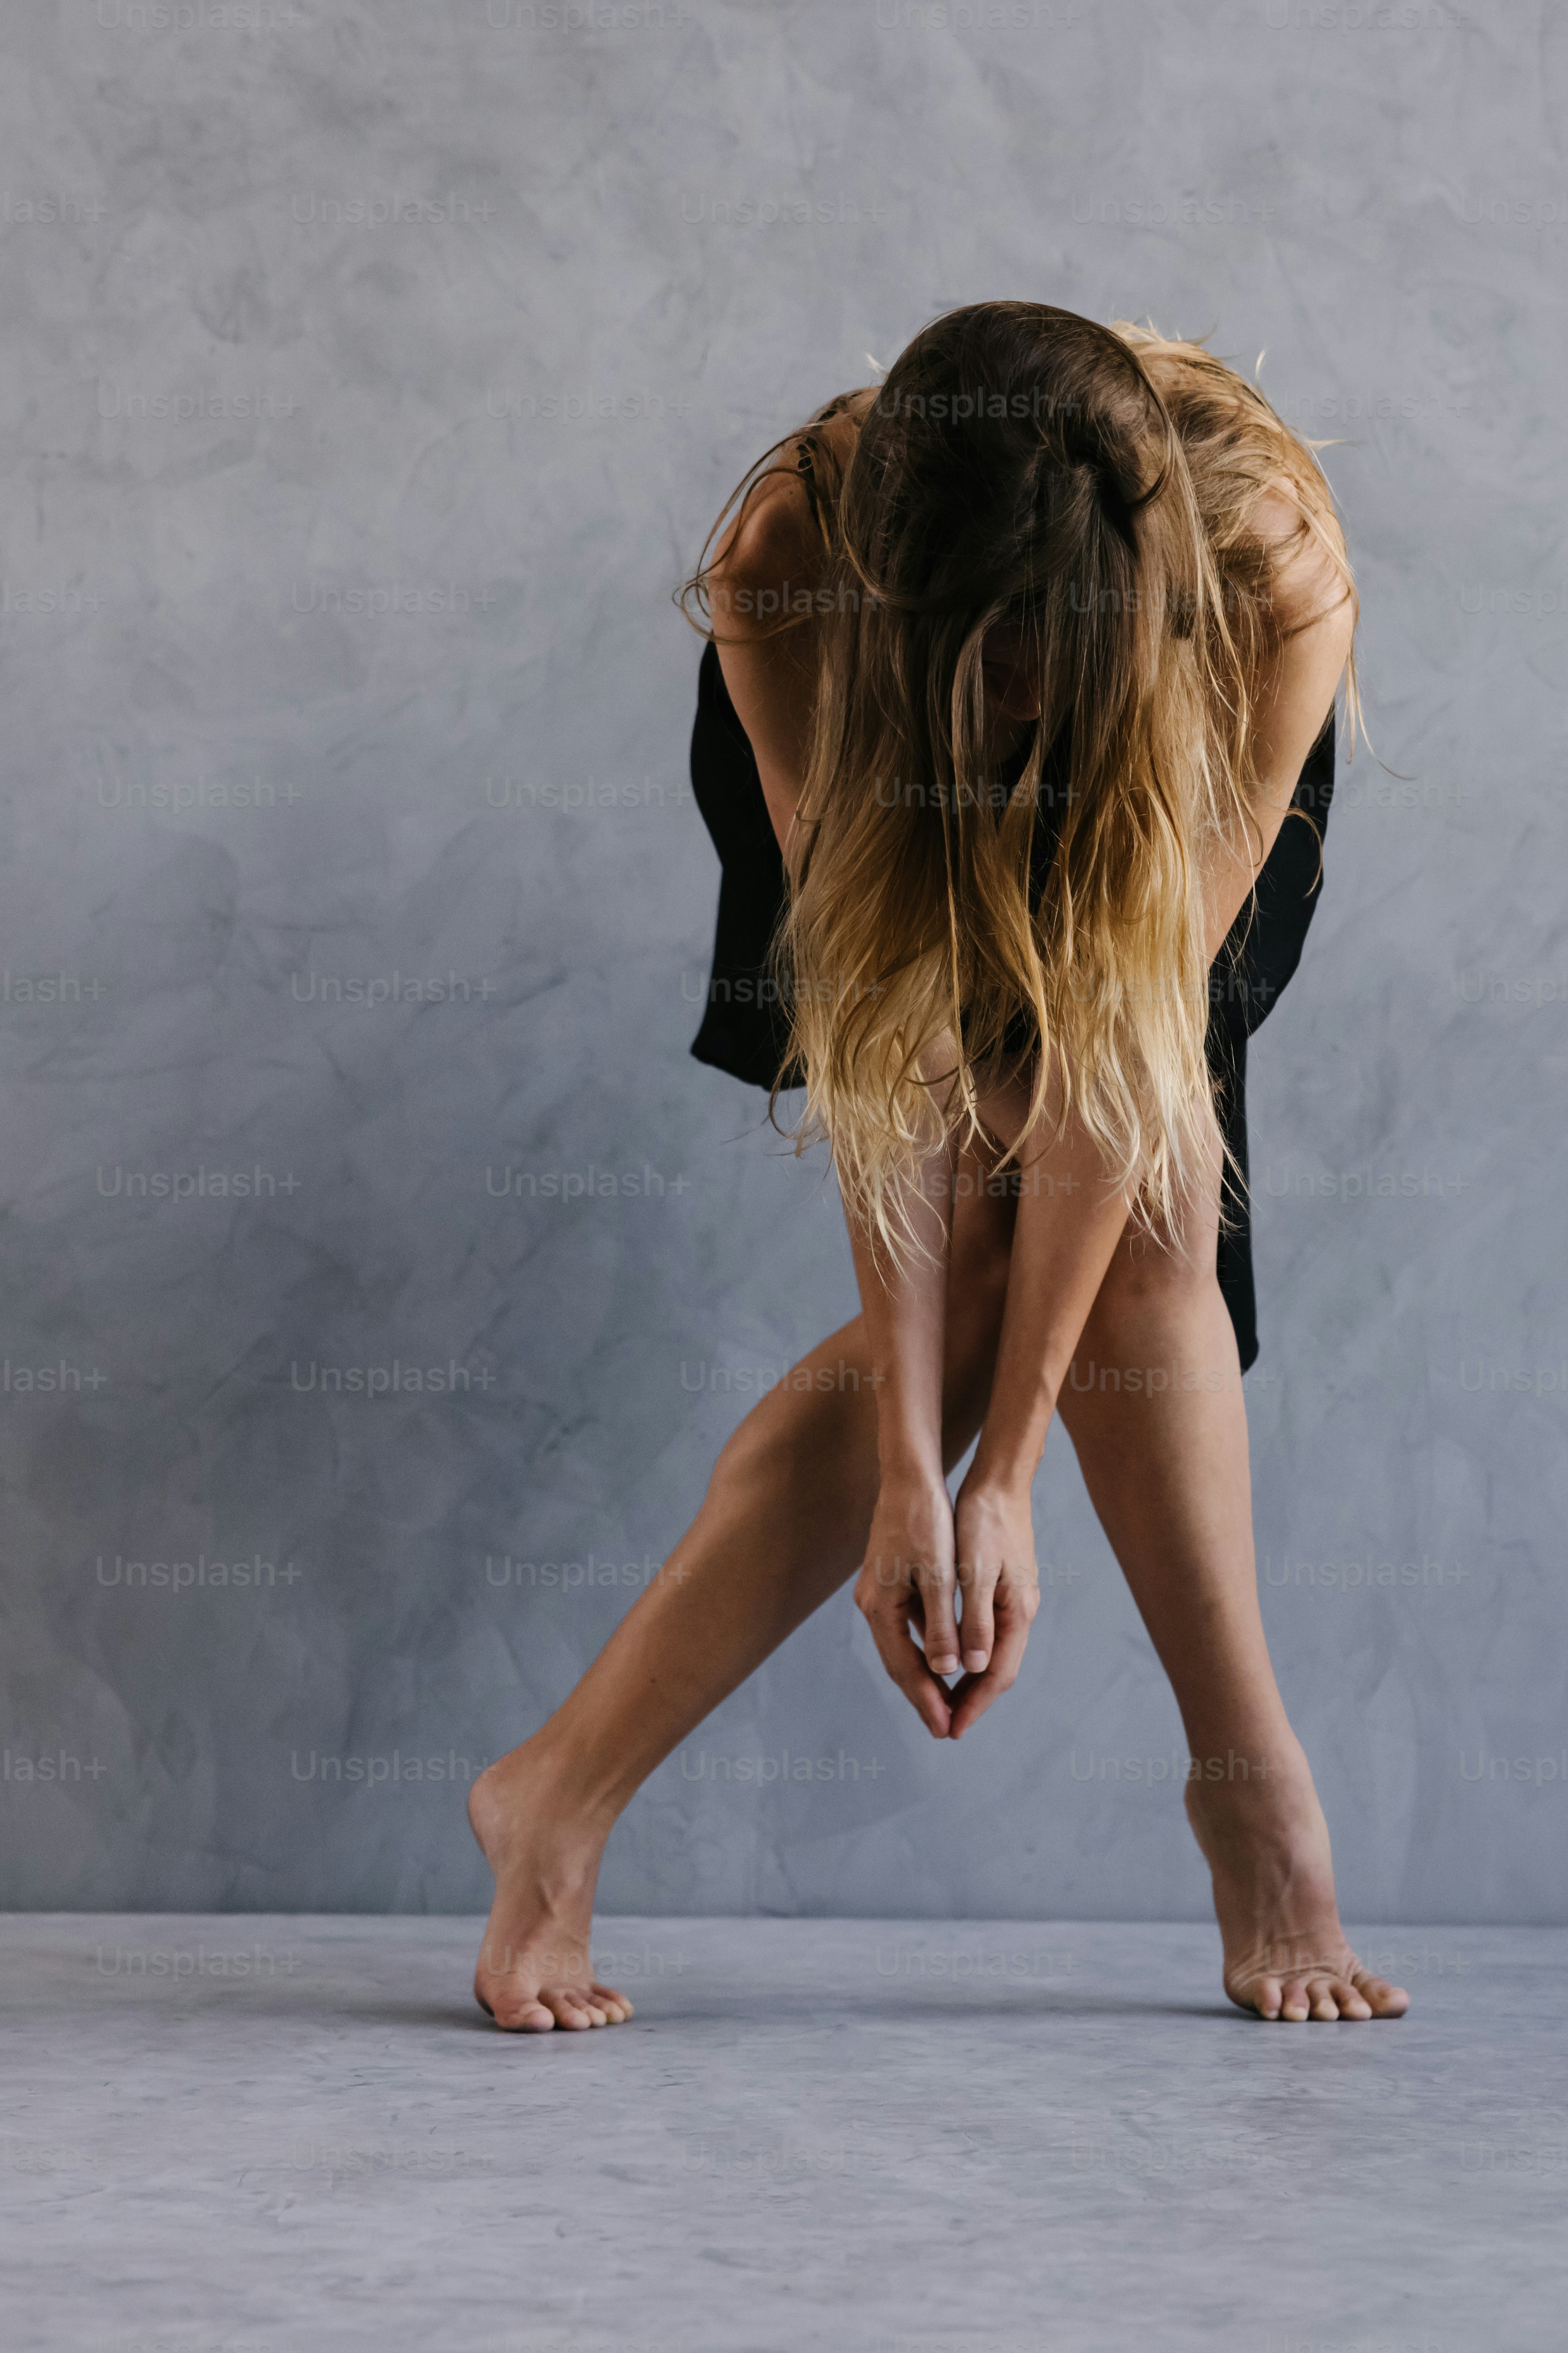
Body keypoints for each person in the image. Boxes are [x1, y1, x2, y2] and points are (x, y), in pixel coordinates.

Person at [468, 300, 1399, 2028]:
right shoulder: (787, 578)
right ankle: (556, 1809)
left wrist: (1006, 1473)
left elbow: (1110, 1076)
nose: (1020, 732)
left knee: (1147, 1228)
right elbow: (897, 1075)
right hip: (861, 729)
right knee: (971, 1242)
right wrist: (912, 1466)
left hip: (1182, 724)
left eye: (1048, 673)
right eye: (992, 680)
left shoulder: (1267, 576)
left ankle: (1246, 1792)